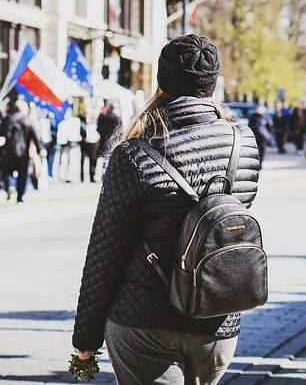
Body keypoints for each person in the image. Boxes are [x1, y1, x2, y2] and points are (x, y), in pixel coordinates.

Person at [73, 34, 261, 385]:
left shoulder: (134, 153)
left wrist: (85, 337)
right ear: (213, 82)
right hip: (218, 318)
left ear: (162, 81)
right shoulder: (244, 142)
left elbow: (104, 251)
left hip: (145, 321)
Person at [0, 100, 43, 203]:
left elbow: (0, 133)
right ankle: (20, 196)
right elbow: (35, 136)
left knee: (7, 172)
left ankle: (9, 186)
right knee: (22, 175)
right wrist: (39, 150)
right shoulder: (28, 121)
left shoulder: (8, 119)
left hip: (8, 151)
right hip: (23, 153)